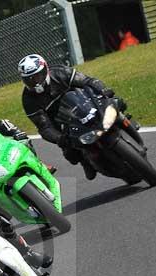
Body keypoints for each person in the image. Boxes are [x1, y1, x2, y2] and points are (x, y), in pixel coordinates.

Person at [18, 53, 126, 181]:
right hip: (64, 123)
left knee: (117, 103)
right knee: (71, 154)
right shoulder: (28, 100)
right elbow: (43, 126)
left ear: (45, 69)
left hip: (86, 104)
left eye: (37, 76)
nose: (35, 82)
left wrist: (103, 90)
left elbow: (88, 81)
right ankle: (85, 161)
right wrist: (59, 138)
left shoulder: (60, 73)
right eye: (30, 79)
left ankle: (126, 123)